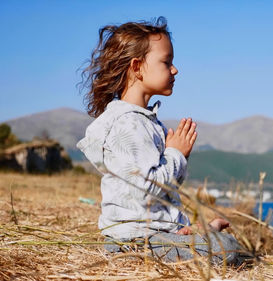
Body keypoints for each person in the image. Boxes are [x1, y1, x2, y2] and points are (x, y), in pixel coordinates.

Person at [77, 17, 244, 265]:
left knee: (227, 245)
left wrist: (177, 157)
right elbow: (145, 188)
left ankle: (188, 233)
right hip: (133, 242)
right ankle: (197, 237)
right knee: (226, 249)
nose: (175, 70)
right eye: (167, 62)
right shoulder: (128, 124)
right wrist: (176, 154)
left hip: (153, 236)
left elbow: (159, 195)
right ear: (137, 67)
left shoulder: (145, 121)